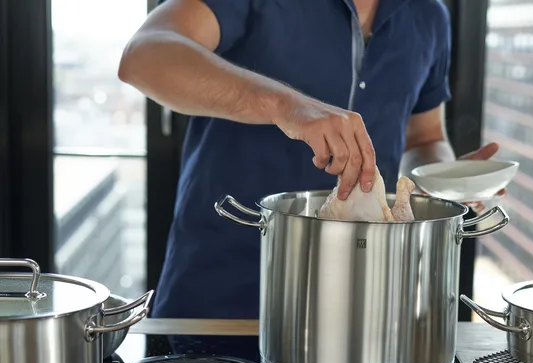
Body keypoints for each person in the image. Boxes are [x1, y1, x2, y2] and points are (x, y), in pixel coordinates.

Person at [118, 0, 504, 320]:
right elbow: (144, 56)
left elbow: (425, 137)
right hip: (222, 295)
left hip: (365, 304)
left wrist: (441, 178)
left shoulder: (429, 15)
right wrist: (285, 105)